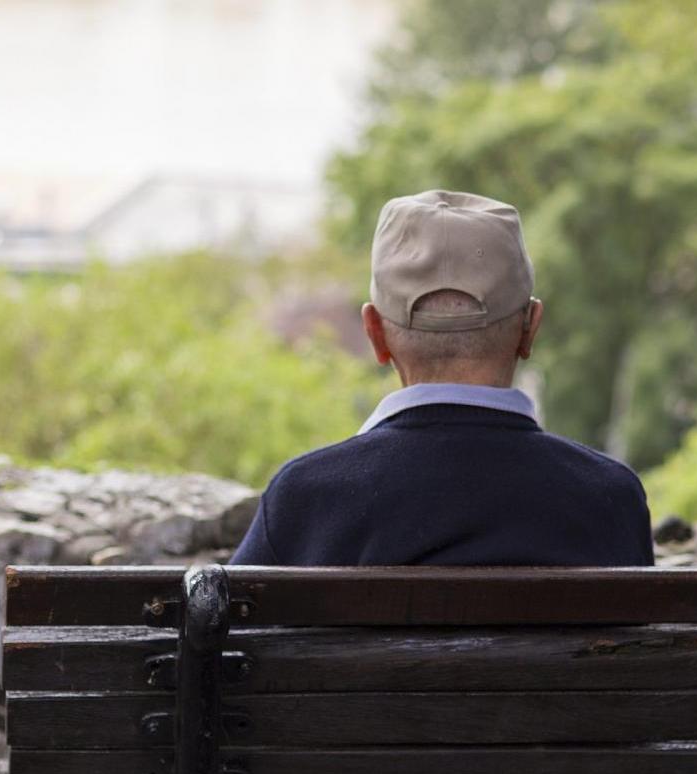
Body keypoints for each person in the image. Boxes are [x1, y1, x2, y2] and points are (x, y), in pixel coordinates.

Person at [230, 189, 653, 567]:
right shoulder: (611, 498)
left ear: (375, 334)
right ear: (530, 330)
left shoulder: (304, 500)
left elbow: (222, 639)